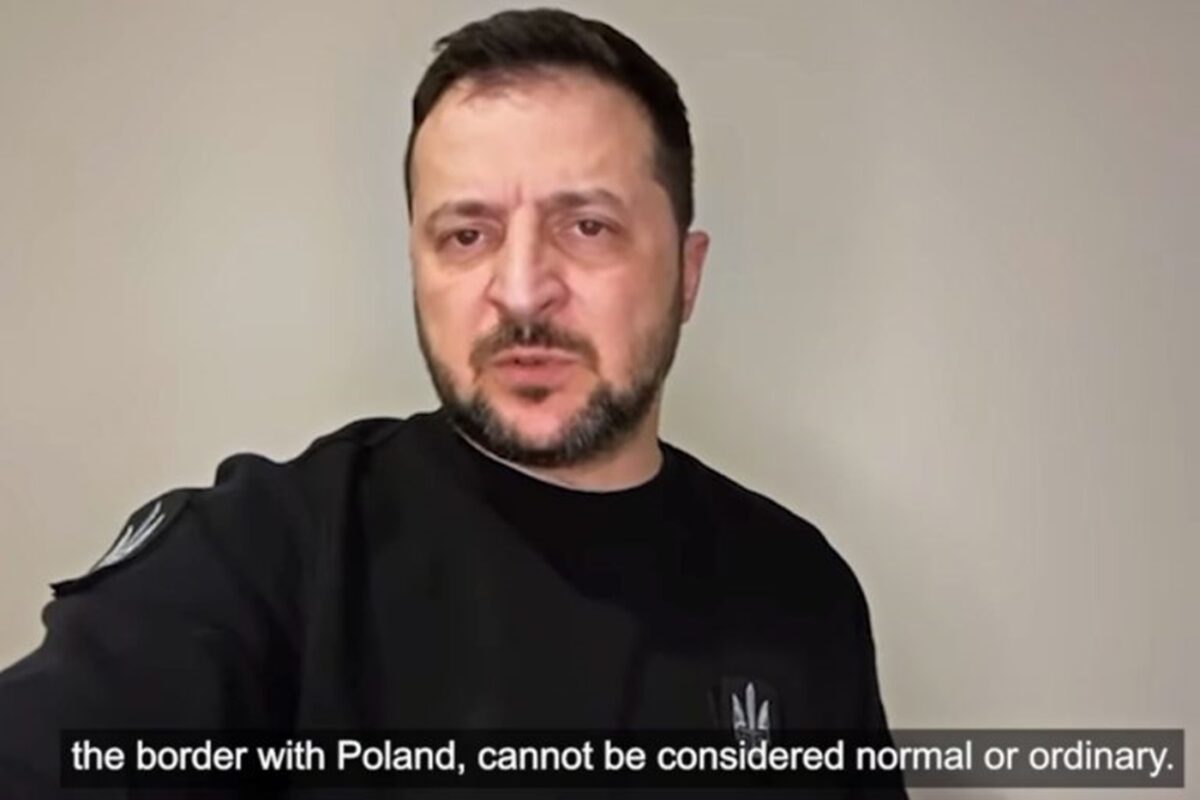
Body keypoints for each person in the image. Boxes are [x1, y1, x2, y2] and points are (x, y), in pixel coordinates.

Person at [0, 8, 903, 798]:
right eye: (467, 235)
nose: (521, 291)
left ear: (687, 274)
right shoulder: (274, 552)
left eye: (587, 226)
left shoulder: (800, 591)